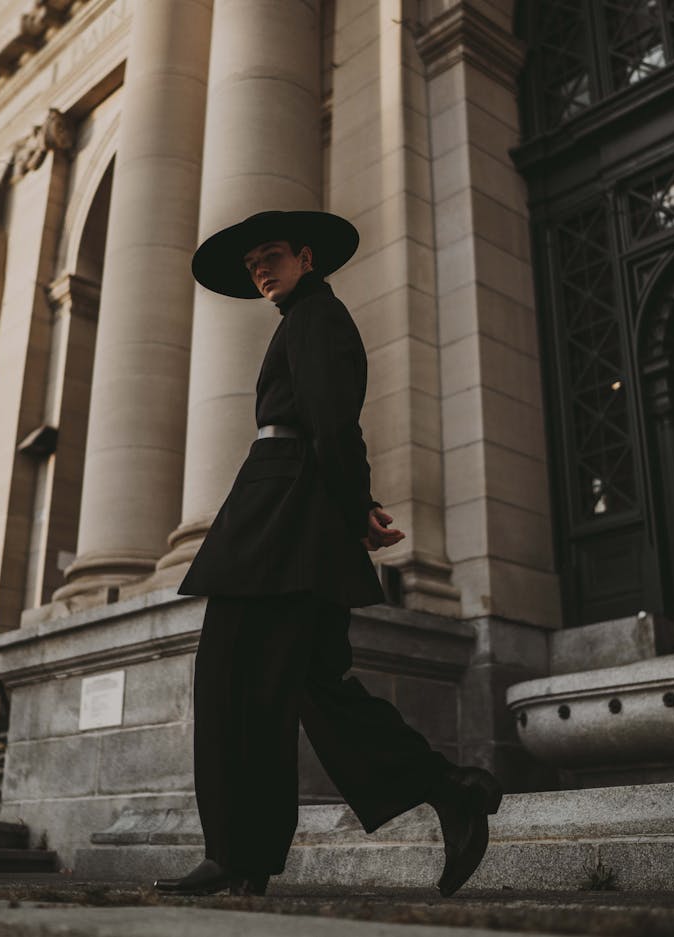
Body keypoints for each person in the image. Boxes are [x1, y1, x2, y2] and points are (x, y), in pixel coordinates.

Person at [154, 210, 502, 899]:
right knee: (317, 691)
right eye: (254, 261)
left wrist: (354, 507)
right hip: (292, 525)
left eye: (273, 256)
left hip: (278, 529)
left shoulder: (314, 316)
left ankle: (237, 852)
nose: (260, 268)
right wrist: (358, 507)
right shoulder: (309, 318)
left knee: (232, 680)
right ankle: (450, 789)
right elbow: (335, 425)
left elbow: (330, 421)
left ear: (307, 258)